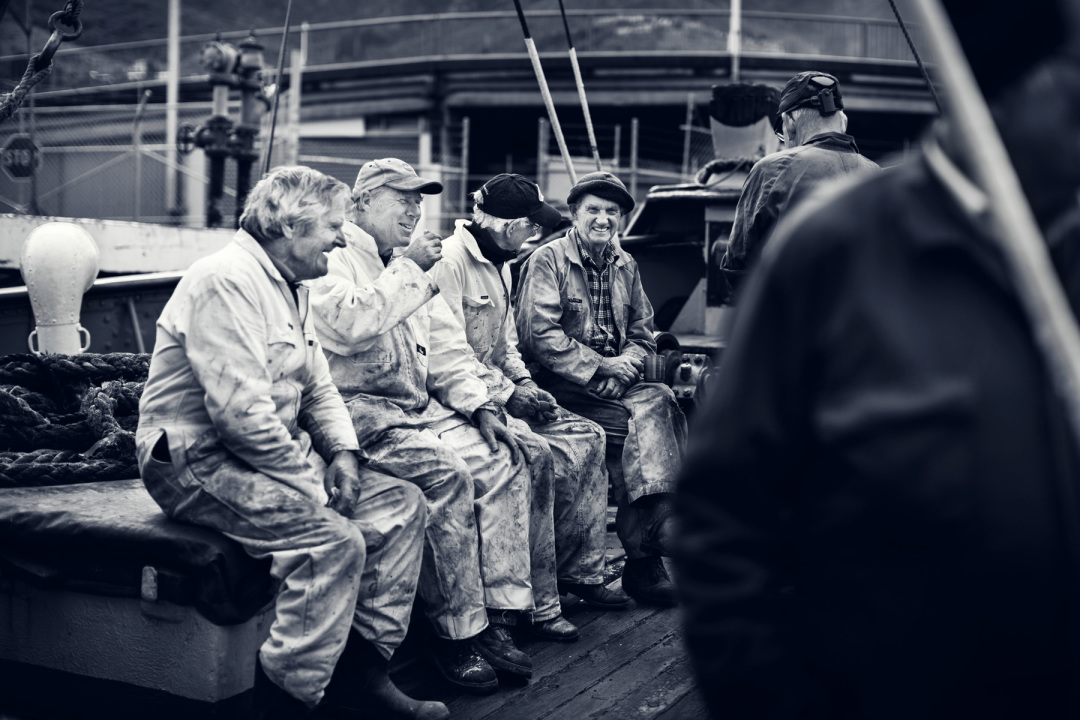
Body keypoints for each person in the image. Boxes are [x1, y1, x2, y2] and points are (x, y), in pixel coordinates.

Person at [677, 0, 1080, 717]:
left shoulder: (776, 177)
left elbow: (734, 258)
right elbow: (725, 522)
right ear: (1001, 90)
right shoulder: (839, 237)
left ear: (793, 119)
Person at [135, 166, 447, 720]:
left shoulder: (291, 284)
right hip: (195, 460)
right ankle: (286, 704)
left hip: (265, 450)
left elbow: (318, 386)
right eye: (331, 225)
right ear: (288, 226)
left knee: (402, 506)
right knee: (332, 542)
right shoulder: (225, 281)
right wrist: (314, 490)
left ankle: (362, 675)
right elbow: (240, 418)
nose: (341, 236)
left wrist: (345, 456)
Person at [307, 158, 569, 693]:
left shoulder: (403, 260)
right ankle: (457, 634)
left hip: (413, 411)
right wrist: (411, 272)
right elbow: (352, 324)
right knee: (447, 473)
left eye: (418, 199)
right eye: (400, 197)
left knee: (504, 457)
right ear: (361, 203)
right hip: (357, 413)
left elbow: (446, 348)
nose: (413, 208)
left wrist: (481, 405)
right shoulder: (334, 260)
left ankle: (501, 613)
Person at [431, 173, 633, 614]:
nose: (537, 235)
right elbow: (448, 356)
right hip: (459, 400)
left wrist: (523, 382)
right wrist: (508, 395)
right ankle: (530, 603)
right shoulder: (448, 264)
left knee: (589, 436)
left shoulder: (501, 260)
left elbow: (504, 345)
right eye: (532, 227)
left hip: (502, 390)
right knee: (536, 455)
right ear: (507, 226)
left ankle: (581, 573)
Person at [516, 171, 687, 608]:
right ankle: (647, 554)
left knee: (660, 400)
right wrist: (599, 368)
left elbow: (642, 333)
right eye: (593, 210)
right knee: (644, 427)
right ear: (574, 214)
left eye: (612, 212)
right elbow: (539, 335)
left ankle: (647, 546)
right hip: (560, 387)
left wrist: (623, 369)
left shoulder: (624, 263)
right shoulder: (547, 260)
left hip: (615, 386)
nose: (603, 219)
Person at [717, 70, 879, 302]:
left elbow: (737, 266)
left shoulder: (771, 169)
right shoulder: (877, 175)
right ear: (843, 123)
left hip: (792, 327)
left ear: (790, 123)